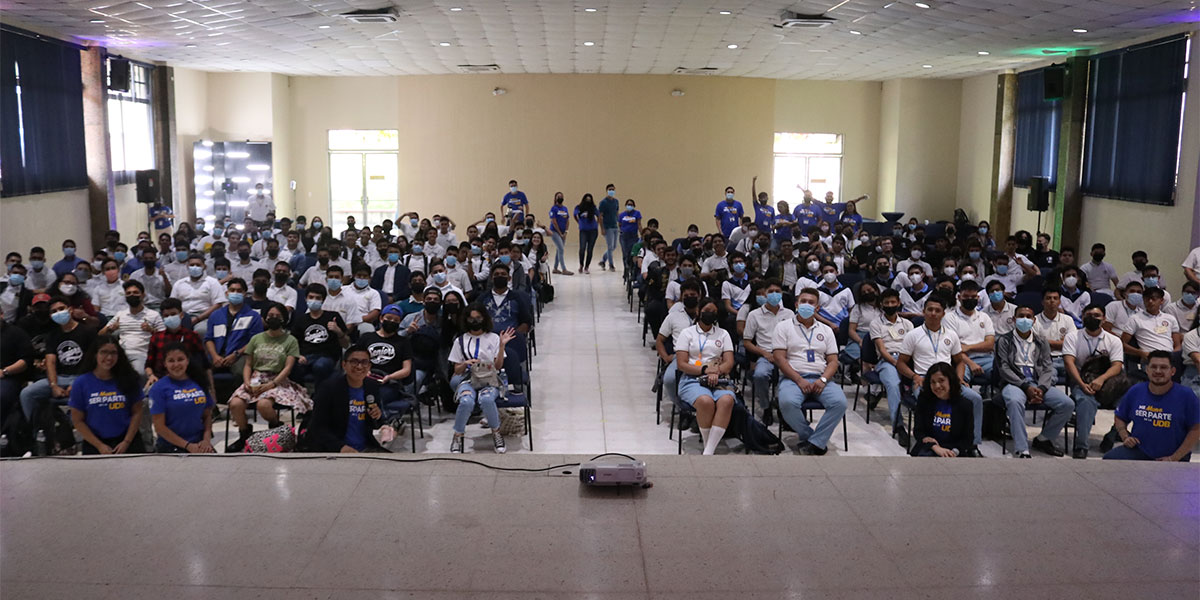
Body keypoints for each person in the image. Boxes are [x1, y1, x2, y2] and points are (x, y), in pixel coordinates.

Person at [897, 295, 985, 455]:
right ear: (923, 312)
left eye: (937, 310)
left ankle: (972, 444)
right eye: (929, 309)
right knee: (927, 399)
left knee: (975, 398)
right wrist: (914, 377)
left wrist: (958, 378)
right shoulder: (913, 335)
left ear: (943, 314)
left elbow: (959, 361)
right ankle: (927, 441)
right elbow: (901, 363)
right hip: (924, 379)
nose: (933, 313)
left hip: (947, 380)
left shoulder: (951, 335)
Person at [772, 288, 847, 455]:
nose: (806, 305)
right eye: (803, 301)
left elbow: (833, 361)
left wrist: (824, 380)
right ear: (796, 304)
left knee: (840, 403)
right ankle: (813, 438)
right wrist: (799, 380)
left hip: (822, 378)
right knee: (787, 403)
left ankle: (814, 442)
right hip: (793, 378)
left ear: (817, 308)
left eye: (811, 302)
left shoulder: (826, 330)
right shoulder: (783, 327)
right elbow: (779, 358)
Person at [994, 305, 1075, 458]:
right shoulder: (1004, 340)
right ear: (1013, 319)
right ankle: (1022, 447)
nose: (1024, 319)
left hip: (1039, 383)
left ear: (1034, 320)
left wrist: (1042, 389)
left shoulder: (1041, 341)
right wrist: (1025, 386)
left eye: (1028, 316)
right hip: (1015, 383)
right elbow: (1004, 369)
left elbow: (1047, 367)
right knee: (1014, 401)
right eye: (1021, 316)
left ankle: (1044, 438)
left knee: (1067, 404)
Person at [227, 303, 311, 451]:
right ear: (265, 318)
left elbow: (288, 368)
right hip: (255, 378)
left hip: (278, 379)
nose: (273, 318)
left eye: (277, 316)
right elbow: (248, 365)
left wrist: (272, 384)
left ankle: (276, 429)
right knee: (235, 404)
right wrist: (246, 382)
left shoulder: (290, 340)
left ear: (284, 319)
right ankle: (244, 434)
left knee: (263, 405)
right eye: (270, 316)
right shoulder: (256, 339)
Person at [20, 297, 100, 451]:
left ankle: (80, 434)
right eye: (54, 311)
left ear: (70, 310)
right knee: (27, 394)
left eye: (61, 309)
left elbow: (93, 363)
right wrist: (54, 385)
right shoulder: (53, 335)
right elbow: (50, 362)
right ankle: (39, 433)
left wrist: (76, 385)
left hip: (84, 378)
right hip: (60, 378)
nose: (59, 313)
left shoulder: (87, 332)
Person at [1104, 351, 1199, 461]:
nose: (1158, 371)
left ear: (1172, 371)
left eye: (1163, 367)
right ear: (1147, 370)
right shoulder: (1136, 391)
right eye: (1154, 367)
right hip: (1139, 451)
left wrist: (1175, 457)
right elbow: (1120, 416)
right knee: (1108, 460)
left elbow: (1196, 429)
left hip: (1173, 456)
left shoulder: (1186, 395)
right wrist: (1124, 436)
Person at [448, 305, 514, 454]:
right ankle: (457, 435)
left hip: (490, 379)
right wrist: (465, 363)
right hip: (468, 379)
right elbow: (456, 370)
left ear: (484, 319)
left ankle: (496, 433)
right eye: (471, 318)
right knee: (466, 401)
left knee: (486, 400)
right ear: (466, 320)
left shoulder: (493, 338)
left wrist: (502, 346)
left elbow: (498, 366)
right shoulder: (460, 341)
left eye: (478, 318)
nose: (475, 321)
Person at [675, 297, 736, 455]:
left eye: (714, 312)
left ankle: (709, 451)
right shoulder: (687, 333)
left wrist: (716, 371)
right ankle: (708, 447)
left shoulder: (723, 334)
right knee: (705, 401)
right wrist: (704, 370)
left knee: (727, 400)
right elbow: (681, 363)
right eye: (707, 311)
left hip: (718, 378)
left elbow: (729, 362)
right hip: (692, 378)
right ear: (698, 311)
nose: (710, 315)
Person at [66, 335, 146, 455]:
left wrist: (126, 442)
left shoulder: (130, 379)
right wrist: (99, 445)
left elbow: (137, 412)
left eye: (113, 353)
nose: (109, 357)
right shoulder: (81, 383)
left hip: (127, 441)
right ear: (95, 354)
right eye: (104, 352)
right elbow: (78, 421)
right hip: (95, 443)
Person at [1062, 304, 1124, 459]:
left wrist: (1101, 379)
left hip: (1109, 383)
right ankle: (1081, 445)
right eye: (1088, 315)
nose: (1092, 318)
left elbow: (1117, 366)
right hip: (1082, 382)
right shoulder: (1072, 337)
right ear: (1082, 317)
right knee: (1085, 402)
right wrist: (1082, 385)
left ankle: (1112, 435)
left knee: (1131, 400)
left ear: (1104, 319)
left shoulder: (1114, 340)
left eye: (1096, 315)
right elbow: (1069, 363)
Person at [305, 344, 386, 453]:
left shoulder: (372, 386)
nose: (359, 367)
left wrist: (377, 416)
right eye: (354, 362)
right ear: (344, 365)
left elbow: (376, 423)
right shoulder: (328, 388)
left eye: (364, 362)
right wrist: (340, 447)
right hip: (335, 449)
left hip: (366, 447)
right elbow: (317, 426)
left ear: (370, 366)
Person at [148, 343, 216, 454]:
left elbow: (207, 415)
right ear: (165, 364)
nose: (176, 364)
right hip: (171, 446)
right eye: (171, 361)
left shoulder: (199, 382)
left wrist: (206, 440)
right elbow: (159, 427)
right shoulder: (158, 388)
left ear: (187, 361)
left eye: (180, 359)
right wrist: (188, 446)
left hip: (200, 444)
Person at [743, 280, 795, 417]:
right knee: (760, 375)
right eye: (770, 292)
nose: (774, 294)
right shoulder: (754, 315)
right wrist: (764, 354)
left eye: (777, 292)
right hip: (766, 354)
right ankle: (766, 406)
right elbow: (747, 342)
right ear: (765, 294)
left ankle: (784, 407)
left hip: (786, 355)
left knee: (793, 375)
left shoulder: (789, 314)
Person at [908, 362, 976, 457]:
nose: (937, 386)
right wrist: (935, 447)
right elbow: (919, 432)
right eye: (933, 382)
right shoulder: (924, 400)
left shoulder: (965, 404)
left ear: (950, 380)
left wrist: (953, 452)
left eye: (941, 381)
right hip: (930, 448)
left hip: (954, 450)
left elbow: (968, 439)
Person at [291, 284, 350, 385]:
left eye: (318, 298)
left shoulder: (333, 316)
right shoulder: (300, 319)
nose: (314, 300)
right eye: (311, 297)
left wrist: (338, 331)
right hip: (305, 356)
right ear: (306, 299)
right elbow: (293, 343)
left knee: (320, 366)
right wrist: (298, 356)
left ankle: (319, 395)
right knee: (293, 366)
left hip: (327, 356)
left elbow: (346, 344)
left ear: (323, 300)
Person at [945, 280, 995, 391]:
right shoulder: (949, 318)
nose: (970, 299)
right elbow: (954, 349)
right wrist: (971, 363)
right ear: (959, 297)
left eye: (973, 296)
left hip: (987, 359)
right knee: (959, 384)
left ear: (978, 297)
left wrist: (968, 347)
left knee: (1003, 374)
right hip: (962, 360)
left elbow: (990, 344)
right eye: (966, 296)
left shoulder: (984, 317)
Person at [1121, 287, 1182, 367]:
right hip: (1149, 357)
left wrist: (1174, 355)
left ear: (1161, 301)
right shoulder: (1135, 319)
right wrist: (1140, 353)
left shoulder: (1170, 318)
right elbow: (1122, 344)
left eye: (1153, 299)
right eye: (1147, 299)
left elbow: (1177, 345)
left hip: (1169, 357)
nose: (1150, 301)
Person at [171, 253, 226, 333]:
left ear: (204, 267)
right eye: (192, 265)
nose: (195, 267)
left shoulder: (212, 282)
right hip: (182, 316)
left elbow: (218, 304)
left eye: (198, 265)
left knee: (201, 331)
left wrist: (198, 318)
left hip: (204, 316)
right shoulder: (179, 283)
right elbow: (172, 304)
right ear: (187, 266)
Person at [1033, 289, 1077, 377]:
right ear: (1042, 302)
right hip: (1045, 361)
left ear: (1059, 302)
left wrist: (1046, 342)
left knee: (1079, 377)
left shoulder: (1068, 319)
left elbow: (1073, 343)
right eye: (1048, 298)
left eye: (1055, 298)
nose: (1052, 301)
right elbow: (1036, 344)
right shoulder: (1034, 320)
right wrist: (1061, 343)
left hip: (1066, 359)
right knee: (1049, 379)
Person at [548, 192, 573, 275]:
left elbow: (567, 221)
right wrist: (560, 233)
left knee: (559, 249)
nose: (560, 198)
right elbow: (554, 222)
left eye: (561, 196)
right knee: (561, 249)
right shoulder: (553, 209)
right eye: (558, 197)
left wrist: (565, 232)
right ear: (555, 198)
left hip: (563, 232)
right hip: (555, 232)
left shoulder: (565, 208)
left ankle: (555, 268)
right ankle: (564, 269)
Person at [574, 193, 599, 274]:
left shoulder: (593, 207)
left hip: (593, 231)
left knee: (590, 250)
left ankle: (587, 266)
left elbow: (599, 216)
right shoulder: (579, 207)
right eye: (586, 199)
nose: (588, 201)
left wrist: (597, 224)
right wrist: (579, 222)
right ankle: (581, 264)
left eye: (589, 200)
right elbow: (575, 214)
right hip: (583, 231)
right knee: (582, 248)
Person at [597, 184, 620, 271]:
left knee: (614, 246)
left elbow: (617, 213)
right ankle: (611, 265)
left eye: (613, 190)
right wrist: (602, 228)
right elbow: (600, 216)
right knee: (610, 246)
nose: (611, 191)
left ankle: (603, 260)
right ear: (606, 190)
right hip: (607, 227)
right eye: (610, 189)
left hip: (615, 226)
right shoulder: (603, 202)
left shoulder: (616, 201)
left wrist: (619, 223)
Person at [618, 199, 643, 276]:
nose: (629, 206)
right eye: (628, 204)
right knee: (625, 253)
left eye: (631, 204)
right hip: (624, 236)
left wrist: (642, 234)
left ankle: (632, 269)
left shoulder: (637, 213)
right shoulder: (622, 215)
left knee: (632, 253)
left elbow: (639, 224)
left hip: (633, 236)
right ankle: (626, 269)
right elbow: (619, 224)